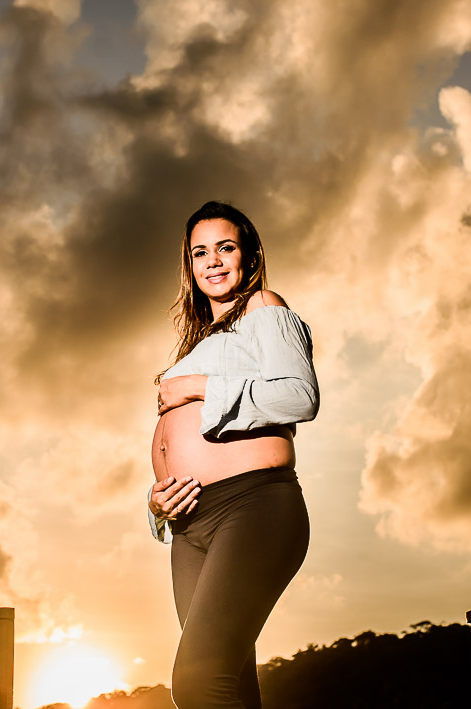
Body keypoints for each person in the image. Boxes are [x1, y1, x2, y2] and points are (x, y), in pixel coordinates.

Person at [147, 200, 320, 709]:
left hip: (252, 506)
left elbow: (299, 396)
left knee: (199, 685)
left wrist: (197, 386)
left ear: (249, 255)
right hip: (188, 525)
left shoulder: (263, 307)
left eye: (225, 247)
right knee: (231, 685)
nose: (213, 261)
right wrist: (158, 503)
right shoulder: (200, 342)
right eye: (199, 252)